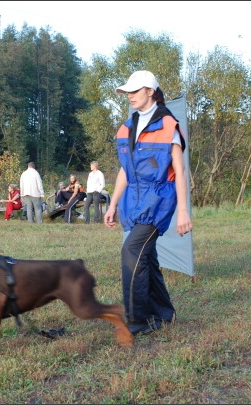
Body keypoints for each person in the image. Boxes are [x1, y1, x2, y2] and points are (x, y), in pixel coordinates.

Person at [104, 70, 193, 336]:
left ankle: (137, 320)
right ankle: (164, 313)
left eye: (135, 91)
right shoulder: (127, 126)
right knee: (147, 256)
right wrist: (112, 204)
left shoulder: (168, 125)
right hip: (133, 201)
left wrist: (183, 212)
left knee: (131, 251)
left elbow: (180, 170)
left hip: (159, 201)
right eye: (127, 92)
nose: (129, 96)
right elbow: (124, 170)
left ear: (150, 92)